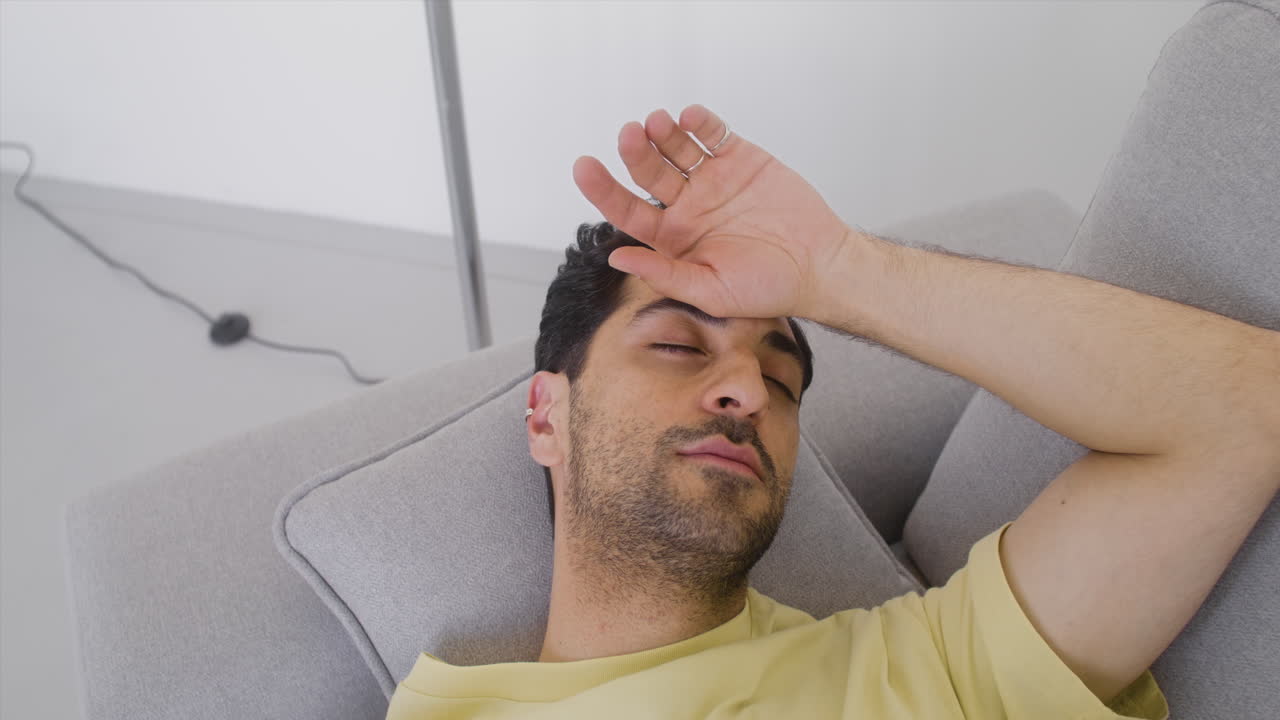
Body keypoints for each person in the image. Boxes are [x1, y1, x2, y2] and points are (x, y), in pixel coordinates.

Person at [385, 105, 1280, 719]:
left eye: (781, 381)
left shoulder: (923, 672)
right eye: (678, 346)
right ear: (546, 416)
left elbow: (1246, 409)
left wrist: (840, 270)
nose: (746, 392)